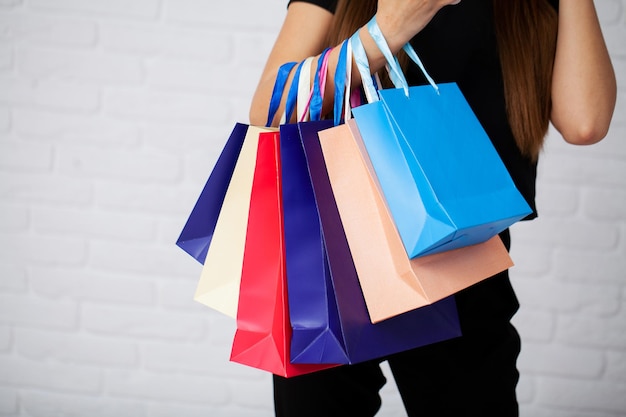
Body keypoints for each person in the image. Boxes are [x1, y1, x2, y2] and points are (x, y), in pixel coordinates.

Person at [248, 1, 616, 416]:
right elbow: (268, 107)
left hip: (463, 259)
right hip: (337, 246)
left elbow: (586, 122)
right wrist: (385, 32)